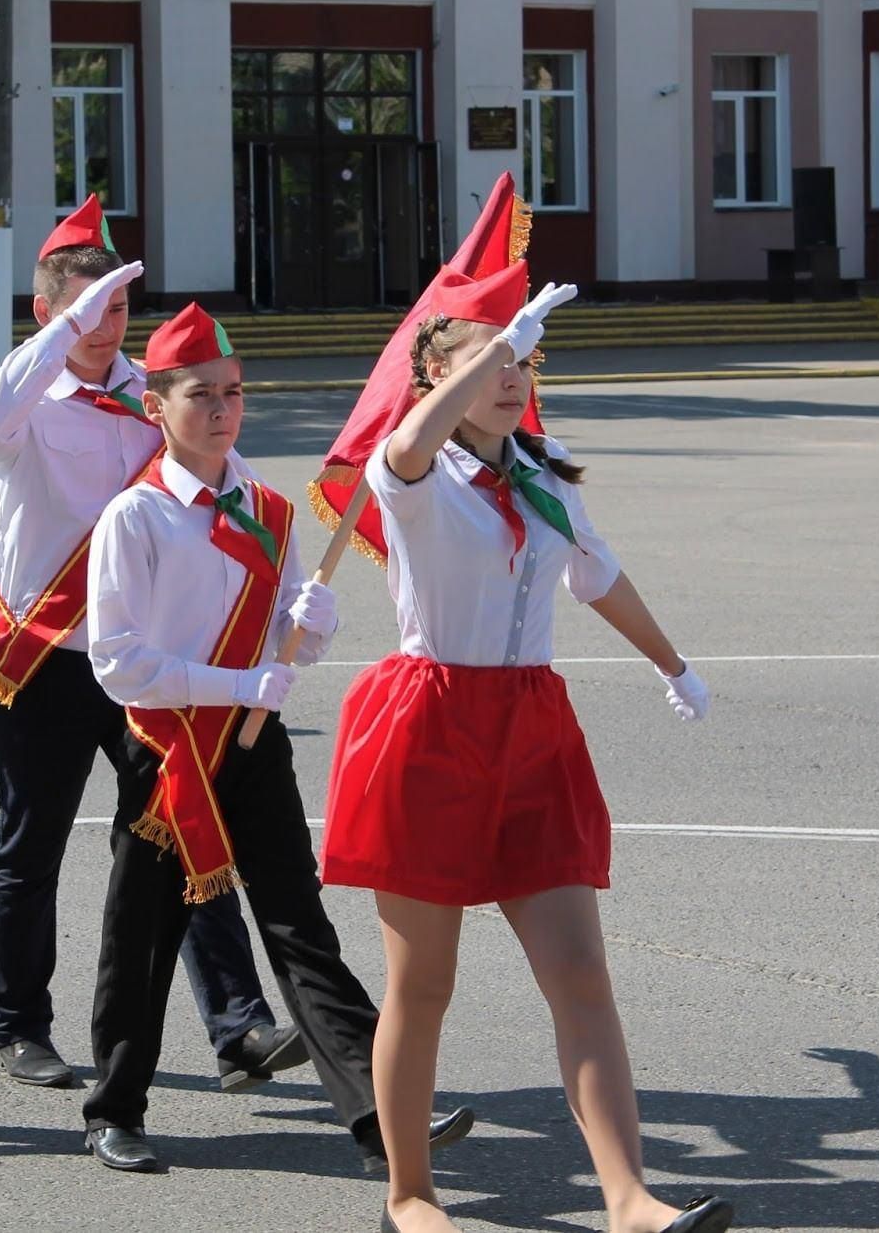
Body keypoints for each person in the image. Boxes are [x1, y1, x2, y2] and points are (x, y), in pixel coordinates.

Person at [318, 263, 732, 1233]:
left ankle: (627, 1196)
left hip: (530, 732)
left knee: (580, 972)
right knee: (424, 982)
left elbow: (600, 576)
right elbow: (414, 440)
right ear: (435, 377)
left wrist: (672, 662)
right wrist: (483, 353)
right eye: (493, 360)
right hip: (430, 727)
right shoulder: (410, 470)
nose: (513, 376)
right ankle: (410, 1194)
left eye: (524, 360)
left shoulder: (542, 475)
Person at [81, 303, 474, 1174]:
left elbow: (283, 638)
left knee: (299, 926)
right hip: (172, 750)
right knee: (142, 931)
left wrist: (312, 626)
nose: (222, 411)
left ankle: (380, 1110)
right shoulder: (134, 518)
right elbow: (117, 663)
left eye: (234, 393)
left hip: (254, 747)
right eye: (201, 396)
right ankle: (115, 1107)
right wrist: (235, 685)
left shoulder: (263, 505)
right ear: (157, 408)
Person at [0, 195, 304, 1094]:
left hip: (152, 658)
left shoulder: (152, 398)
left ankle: (239, 1025)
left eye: (115, 306)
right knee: (30, 840)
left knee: (186, 821)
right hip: (48, 654)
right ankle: (19, 1021)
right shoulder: (26, 403)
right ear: (47, 313)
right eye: (85, 307)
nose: (105, 324)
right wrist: (55, 337)